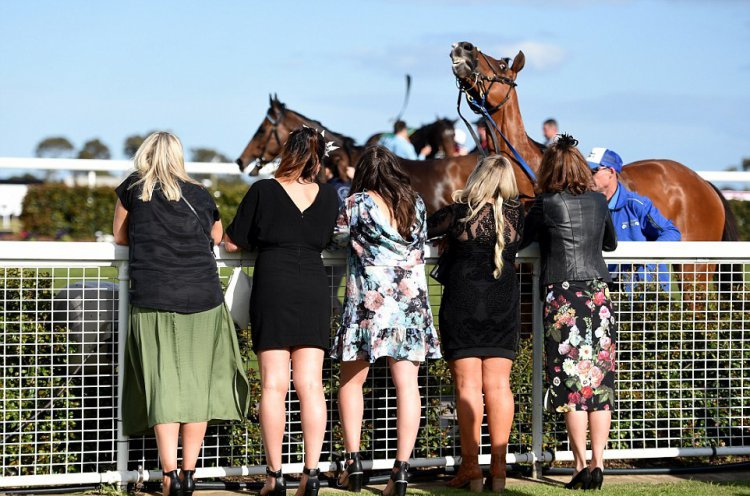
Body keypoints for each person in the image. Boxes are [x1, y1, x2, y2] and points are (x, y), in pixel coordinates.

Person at [113, 132, 250, 496]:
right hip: (204, 298)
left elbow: (120, 236)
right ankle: (190, 474)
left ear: (144, 156)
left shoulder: (133, 189)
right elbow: (217, 235)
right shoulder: (200, 193)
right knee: (198, 388)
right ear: (179, 157)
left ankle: (169, 475)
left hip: (153, 297)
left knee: (164, 389)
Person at [224, 127, 339, 496]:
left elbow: (233, 239)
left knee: (274, 385)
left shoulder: (263, 190)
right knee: (311, 385)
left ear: (287, 152)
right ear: (318, 156)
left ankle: (275, 476)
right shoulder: (327, 196)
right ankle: (312, 471)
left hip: (274, 282)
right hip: (314, 286)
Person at [331, 146, 441, 496]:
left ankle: (354, 463)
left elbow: (336, 239)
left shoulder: (356, 203)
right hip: (410, 305)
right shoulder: (417, 204)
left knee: (351, 383)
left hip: (368, 304)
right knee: (408, 388)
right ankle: (403, 468)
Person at [520, 134, 618, 491]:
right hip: (597, 293)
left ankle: (578, 465)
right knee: (600, 387)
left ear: (549, 169)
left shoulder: (545, 203)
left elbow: (520, 240)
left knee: (572, 389)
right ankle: (598, 463)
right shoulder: (597, 200)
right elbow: (610, 243)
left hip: (562, 295)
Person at [427, 155, 523, 493]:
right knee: (499, 386)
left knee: (467, 387)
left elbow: (425, 229)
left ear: (477, 178)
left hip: (463, 303)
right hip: (501, 304)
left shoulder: (457, 214)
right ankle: (499, 469)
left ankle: (471, 467)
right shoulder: (516, 215)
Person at [587, 147, 681, 291]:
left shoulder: (636, 205)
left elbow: (672, 232)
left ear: (611, 172)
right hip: (607, 291)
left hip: (643, 294)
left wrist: (645, 257)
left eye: (593, 171)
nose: (588, 176)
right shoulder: (587, 207)